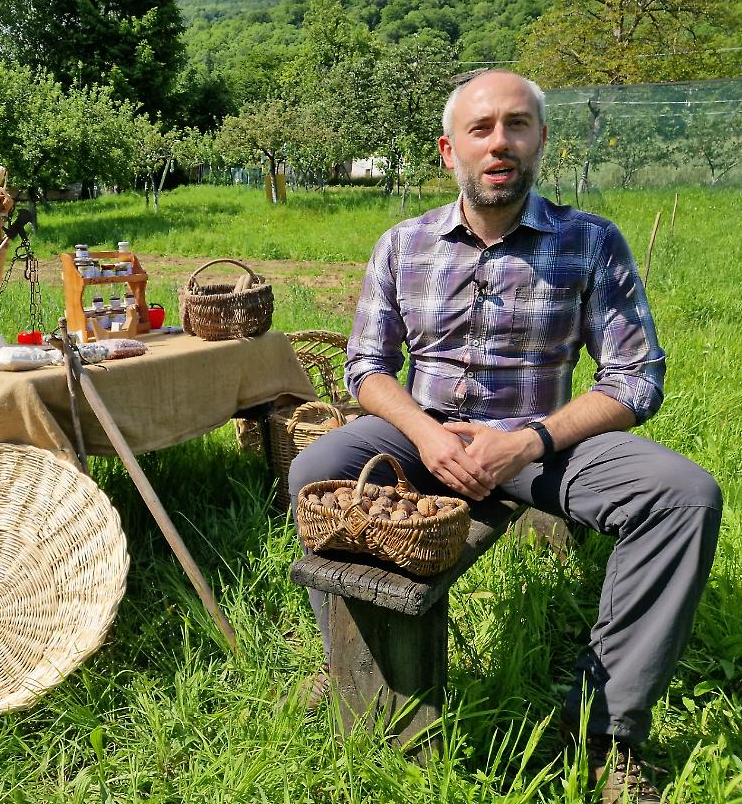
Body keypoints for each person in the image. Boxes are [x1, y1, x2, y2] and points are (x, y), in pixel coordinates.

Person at [288, 69, 721, 803]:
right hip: (420, 443)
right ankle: (347, 658)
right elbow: (366, 366)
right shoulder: (402, 244)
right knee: (314, 467)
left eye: (517, 125)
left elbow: (637, 376)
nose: (499, 142)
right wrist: (424, 435)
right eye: (481, 128)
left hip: (542, 449)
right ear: (447, 149)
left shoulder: (589, 242)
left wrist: (528, 442)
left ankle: (606, 727)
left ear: (541, 139)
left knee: (685, 496)